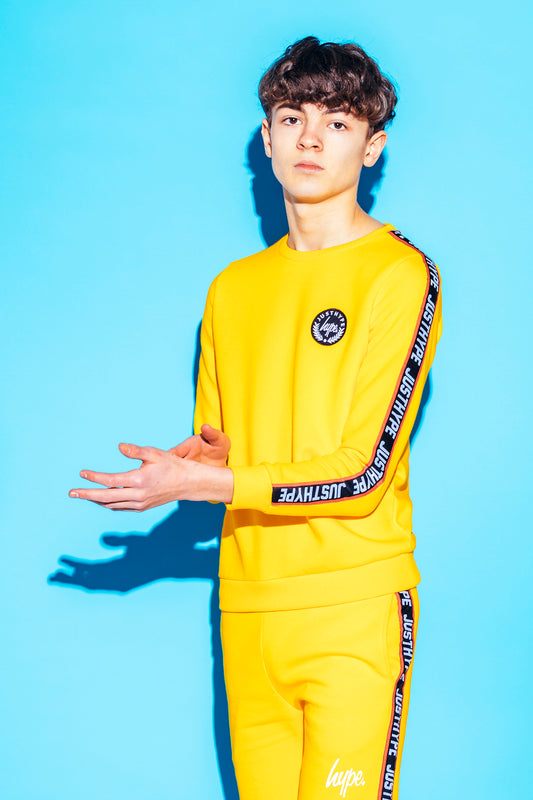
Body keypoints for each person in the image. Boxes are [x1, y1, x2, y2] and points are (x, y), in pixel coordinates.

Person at [70, 36, 442, 800]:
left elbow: (364, 473)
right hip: (247, 608)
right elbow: (226, 452)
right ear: (266, 138)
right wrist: (196, 465)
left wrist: (213, 483)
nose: (310, 138)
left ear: (372, 148)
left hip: (352, 611)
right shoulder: (231, 289)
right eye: (292, 117)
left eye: (337, 122)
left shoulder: (398, 274)